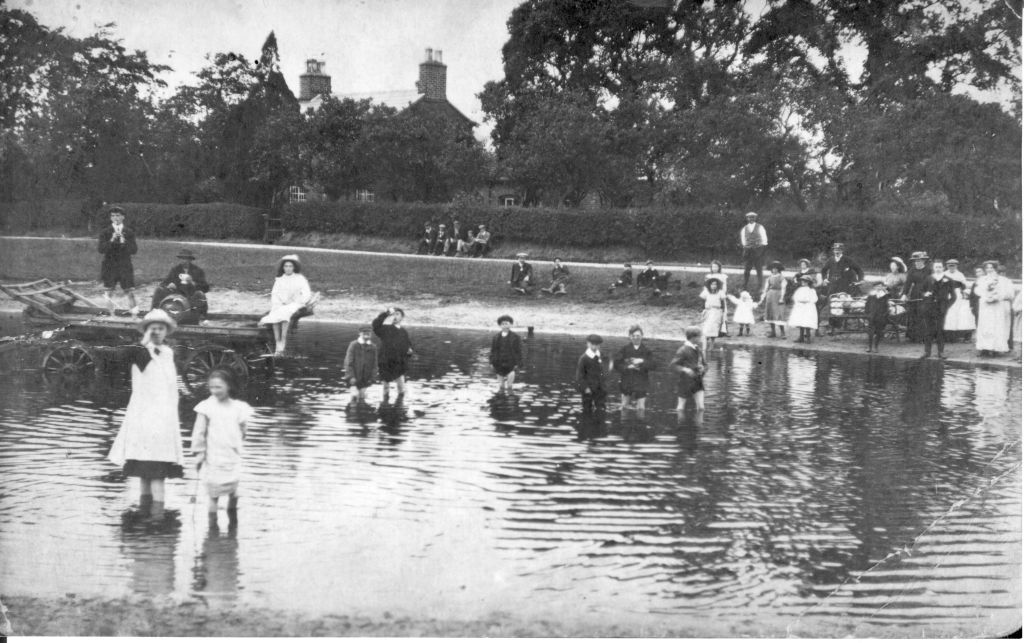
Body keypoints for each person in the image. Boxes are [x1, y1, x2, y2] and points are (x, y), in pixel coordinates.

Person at [107, 309, 184, 522]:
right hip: (144, 417)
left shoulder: (168, 353)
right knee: (145, 473)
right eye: (153, 328)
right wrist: (144, 342)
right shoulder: (139, 352)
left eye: (161, 328)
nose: (157, 332)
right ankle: (146, 517)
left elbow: (170, 384)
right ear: (147, 331)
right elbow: (120, 357)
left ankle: (156, 516)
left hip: (164, 418)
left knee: (158, 473)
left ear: (166, 332)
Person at [191, 368, 252, 527]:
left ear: (229, 386)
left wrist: (238, 442)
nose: (215, 391)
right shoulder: (205, 407)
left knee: (234, 493)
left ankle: (233, 527)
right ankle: (213, 528)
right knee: (213, 494)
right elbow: (199, 432)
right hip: (213, 457)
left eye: (219, 387)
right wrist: (198, 454)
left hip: (232, 456)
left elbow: (243, 429)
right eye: (212, 387)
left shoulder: (238, 408)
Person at [259, 255, 314, 357]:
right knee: (275, 315)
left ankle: (282, 345)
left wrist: (299, 301)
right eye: (286, 266)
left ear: (294, 267)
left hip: (295, 303)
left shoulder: (300, 278)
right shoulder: (280, 279)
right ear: (283, 268)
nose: (288, 268)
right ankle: (277, 346)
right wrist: (280, 302)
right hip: (280, 303)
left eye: (290, 266)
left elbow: (306, 293)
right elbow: (275, 294)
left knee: (285, 314)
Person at [98, 206, 139, 315]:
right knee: (109, 292)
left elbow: (134, 250)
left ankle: (135, 315)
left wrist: (123, 241)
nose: (115, 218)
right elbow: (101, 250)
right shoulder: (105, 232)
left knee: (129, 292)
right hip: (110, 266)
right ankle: (111, 315)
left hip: (124, 266)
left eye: (118, 215)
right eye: (113, 216)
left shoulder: (129, 232)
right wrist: (111, 240)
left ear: (123, 217)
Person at [150, 248, 210, 321]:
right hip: (176, 296)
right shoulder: (175, 270)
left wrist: (192, 282)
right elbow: (164, 283)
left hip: (190, 297)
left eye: (186, 259)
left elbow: (206, 288)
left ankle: (202, 315)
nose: (183, 261)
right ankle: (153, 312)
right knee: (159, 290)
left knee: (200, 294)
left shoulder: (197, 270)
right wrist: (169, 285)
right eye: (182, 259)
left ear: (190, 260)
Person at [612, 325, 657, 412]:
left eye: (638, 336)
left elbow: (654, 365)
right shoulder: (624, 350)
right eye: (633, 336)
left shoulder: (647, 351)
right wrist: (627, 367)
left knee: (641, 408)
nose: (636, 338)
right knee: (624, 406)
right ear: (630, 337)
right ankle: (624, 424)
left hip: (641, 381)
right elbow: (616, 364)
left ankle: (640, 424)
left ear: (642, 336)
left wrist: (642, 361)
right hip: (627, 380)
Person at [975, 261, 1015, 356]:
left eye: (991, 268)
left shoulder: (1004, 280)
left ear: (996, 269)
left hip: (997, 307)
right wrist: (986, 296)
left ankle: (995, 348)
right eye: (987, 268)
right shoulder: (982, 280)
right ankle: (984, 348)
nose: (989, 270)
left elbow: (1009, 293)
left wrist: (997, 297)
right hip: (985, 306)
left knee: (995, 326)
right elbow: (977, 291)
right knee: (985, 326)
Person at [373, 307, 414, 397]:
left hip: (399, 363)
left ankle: (400, 407)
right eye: (393, 314)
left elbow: (408, 345)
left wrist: (410, 350)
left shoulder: (404, 332)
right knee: (386, 388)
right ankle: (384, 407)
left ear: (402, 317)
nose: (395, 316)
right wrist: (386, 314)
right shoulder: (385, 329)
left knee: (401, 388)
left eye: (397, 314)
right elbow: (375, 325)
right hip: (385, 362)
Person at [821, 242, 864, 329]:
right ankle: (833, 325)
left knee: (845, 304)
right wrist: (825, 279)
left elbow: (859, 270)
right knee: (832, 303)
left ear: (842, 251)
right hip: (833, 286)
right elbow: (824, 270)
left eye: (839, 250)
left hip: (845, 286)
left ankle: (844, 324)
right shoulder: (831, 260)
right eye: (835, 250)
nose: (837, 251)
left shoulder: (848, 260)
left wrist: (859, 280)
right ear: (833, 250)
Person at [920, 260, 955, 359]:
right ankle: (927, 352)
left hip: (941, 309)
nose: (938, 269)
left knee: (940, 330)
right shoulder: (928, 278)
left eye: (940, 267)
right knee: (928, 330)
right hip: (929, 307)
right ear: (933, 268)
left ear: (943, 268)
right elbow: (921, 291)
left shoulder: (948, 280)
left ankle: (941, 352)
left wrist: (947, 305)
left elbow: (954, 296)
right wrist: (925, 294)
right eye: (936, 267)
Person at [671, 326, 706, 413]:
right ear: (693, 337)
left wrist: (703, 368)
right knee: (680, 408)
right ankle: (680, 425)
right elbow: (673, 365)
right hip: (685, 382)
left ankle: (699, 426)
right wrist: (686, 370)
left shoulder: (698, 349)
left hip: (697, 380)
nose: (701, 338)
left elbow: (705, 365)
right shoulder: (682, 350)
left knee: (701, 408)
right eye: (700, 336)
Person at [901, 251, 931, 343]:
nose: (917, 262)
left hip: (926, 292)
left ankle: (923, 337)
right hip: (915, 293)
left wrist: (929, 292)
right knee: (913, 313)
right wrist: (904, 294)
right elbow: (908, 283)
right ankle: (912, 336)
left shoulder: (929, 270)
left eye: (919, 260)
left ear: (924, 261)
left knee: (923, 314)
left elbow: (932, 281)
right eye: (915, 261)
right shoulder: (912, 270)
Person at [942, 259, 975, 342]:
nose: (951, 267)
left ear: (956, 266)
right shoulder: (944, 274)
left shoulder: (960, 274)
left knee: (960, 314)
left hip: (957, 294)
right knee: (948, 314)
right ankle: (949, 336)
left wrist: (965, 292)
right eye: (949, 266)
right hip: (946, 294)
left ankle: (961, 335)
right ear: (947, 266)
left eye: (953, 266)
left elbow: (966, 285)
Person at [489, 314, 523, 394]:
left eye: (506, 323)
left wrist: (517, 363)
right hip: (498, 363)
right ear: (500, 325)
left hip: (510, 363)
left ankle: (510, 398)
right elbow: (493, 351)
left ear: (510, 324)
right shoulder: (496, 337)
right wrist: (491, 362)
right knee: (501, 386)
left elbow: (519, 351)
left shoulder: (516, 337)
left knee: (509, 386)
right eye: (503, 324)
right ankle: (501, 400)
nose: (505, 325)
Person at [576, 334, 607, 417]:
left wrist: (604, 385)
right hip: (588, 390)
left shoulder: (600, 355)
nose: (594, 347)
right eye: (592, 344)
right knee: (587, 411)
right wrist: (586, 388)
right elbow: (580, 376)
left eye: (597, 344)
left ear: (599, 345)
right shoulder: (584, 358)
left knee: (601, 410)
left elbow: (603, 371)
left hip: (600, 389)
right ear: (588, 344)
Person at [344, 327, 378, 402]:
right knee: (354, 396)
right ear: (360, 334)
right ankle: (352, 412)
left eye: (368, 333)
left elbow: (375, 365)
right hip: (353, 377)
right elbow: (348, 362)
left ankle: (361, 411)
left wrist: (372, 378)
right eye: (364, 333)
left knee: (362, 397)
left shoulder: (373, 347)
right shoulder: (353, 345)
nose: (366, 335)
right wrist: (351, 376)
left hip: (365, 379)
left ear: (371, 335)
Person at [739, 211, 768, 293]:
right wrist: (746, 247)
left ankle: (760, 287)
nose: (751, 219)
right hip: (748, 251)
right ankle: (744, 286)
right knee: (747, 269)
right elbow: (743, 240)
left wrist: (760, 248)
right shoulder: (744, 228)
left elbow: (764, 239)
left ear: (755, 218)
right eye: (749, 217)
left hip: (757, 251)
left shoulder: (760, 227)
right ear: (747, 218)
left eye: (753, 217)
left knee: (759, 269)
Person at [761, 261, 787, 338]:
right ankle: (773, 332)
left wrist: (782, 297)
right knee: (770, 313)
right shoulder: (769, 278)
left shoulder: (781, 277)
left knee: (779, 313)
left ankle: (783, 332)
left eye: (776, 269)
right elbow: (766, 288)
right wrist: (763, 296)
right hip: (770, 296)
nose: (774, 270)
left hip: (778, 295)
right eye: (773, 269)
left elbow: (783, 288)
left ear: (778, 269)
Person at [699, 277, 727, 351]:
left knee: (714, 328)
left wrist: (723, 312)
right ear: (709, 285)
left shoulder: (720, 292)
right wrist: (703, 310)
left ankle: (712, 345)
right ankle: (704, 346)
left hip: (716, 311)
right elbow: (703, 302)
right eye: (712, 284)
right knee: (705, 328)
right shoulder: (706, 292)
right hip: (708, 311)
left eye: (715, 284)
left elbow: (723, 303)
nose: (714, 286)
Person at [789, 275, 819, 343]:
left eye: (805, 281)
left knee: (807, 322)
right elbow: (795, 297)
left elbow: (814, 299)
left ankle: (808, 337)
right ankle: (801, 337)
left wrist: (807, 301)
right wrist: (799, 300)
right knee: (800, 322)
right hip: (800, 307)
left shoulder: (811, 290)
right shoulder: (800, 289)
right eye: (802, 281)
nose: (803, 282)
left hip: (808, 307)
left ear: (808, 282)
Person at [864, 282, 890, 353]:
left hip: (880, 316)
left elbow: (886, 306)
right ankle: (869, 347)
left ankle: (876, 347)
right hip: (872, 316)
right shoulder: (871, 295)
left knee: (879, 332)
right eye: (877, 286)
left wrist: (884, 315)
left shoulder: (885, 295)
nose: (879, 287)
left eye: (880, 286)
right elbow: (867, 305)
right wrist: (867, 314)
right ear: (874, 287)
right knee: (870, 332)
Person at [706, 260, 730, 336]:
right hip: (712, 297)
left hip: (720, 296)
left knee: (723, 312)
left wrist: (722, 294)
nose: (714, 268)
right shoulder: (709, 276)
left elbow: (724, 287)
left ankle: (724, 331)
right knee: (712, 313)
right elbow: (706, 287)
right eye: (713, 267)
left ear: (719, 267)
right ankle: (713, 330)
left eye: (716, 267)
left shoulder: (722, 276)